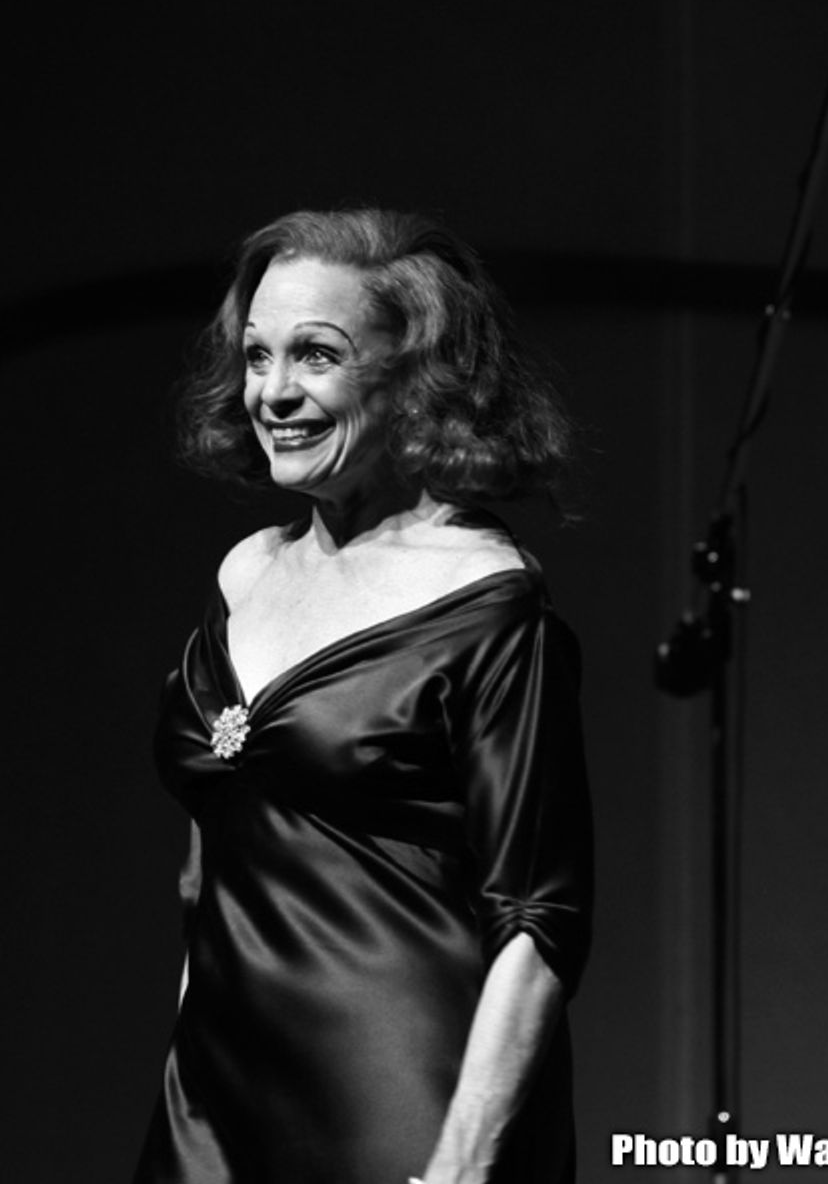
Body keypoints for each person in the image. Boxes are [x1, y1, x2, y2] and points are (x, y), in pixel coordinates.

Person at [132, 208, 593, 1184]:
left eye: (317, 355)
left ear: (417, 377)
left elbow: (541, 918)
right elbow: (209, 868)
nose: (274, 392)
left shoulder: (488, 604)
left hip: (399, 1104)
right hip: (212, 1108)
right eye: (257, 356)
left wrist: (464, 1164)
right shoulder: (244, 578)